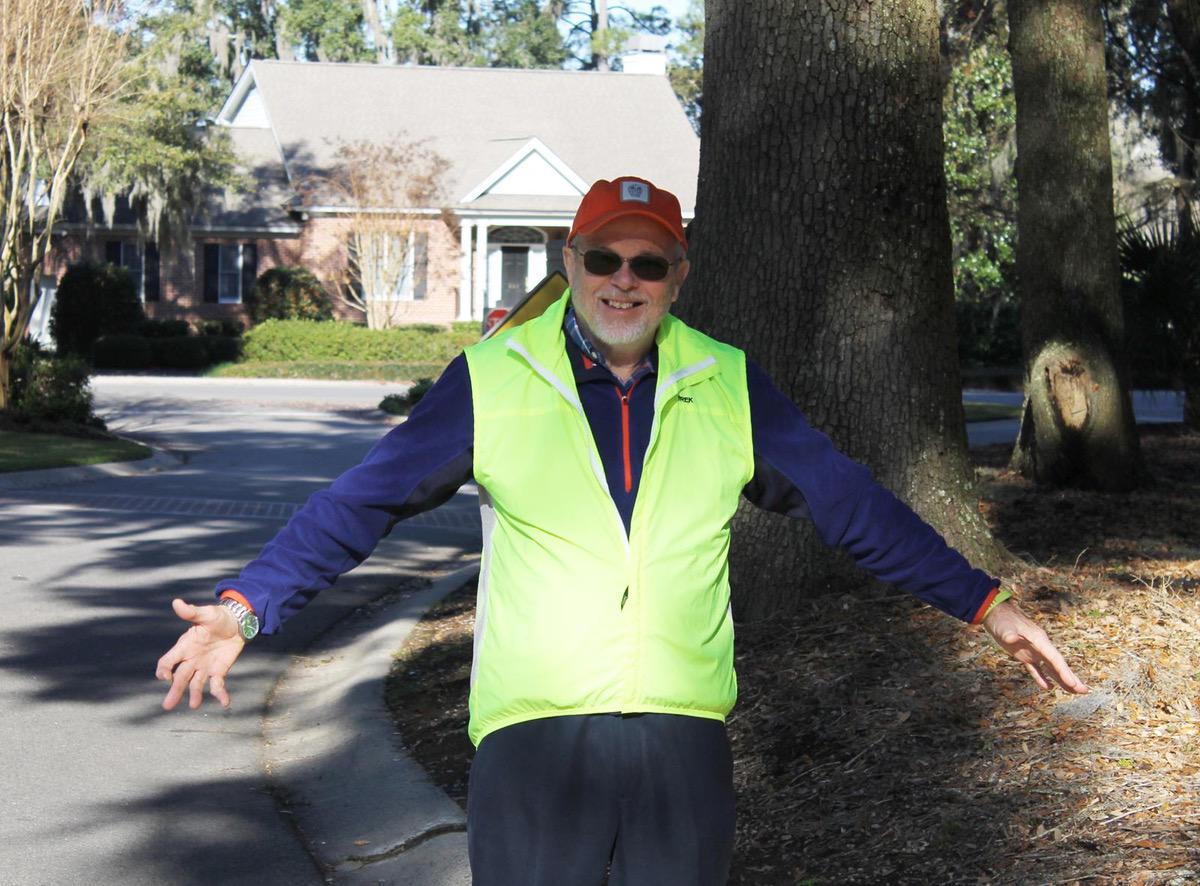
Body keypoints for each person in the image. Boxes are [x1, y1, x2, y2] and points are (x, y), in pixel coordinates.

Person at [156, 176, 1088, 885]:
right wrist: (245, 607)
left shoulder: (727, 381)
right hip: (535, 734)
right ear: (570, 262)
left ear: (678, 277)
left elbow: (853, 506)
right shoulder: (492, 378)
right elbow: (361, 501)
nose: (623, 281)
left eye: (649, 263)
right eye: (604, 259)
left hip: (681, 737)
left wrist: (986, 604)